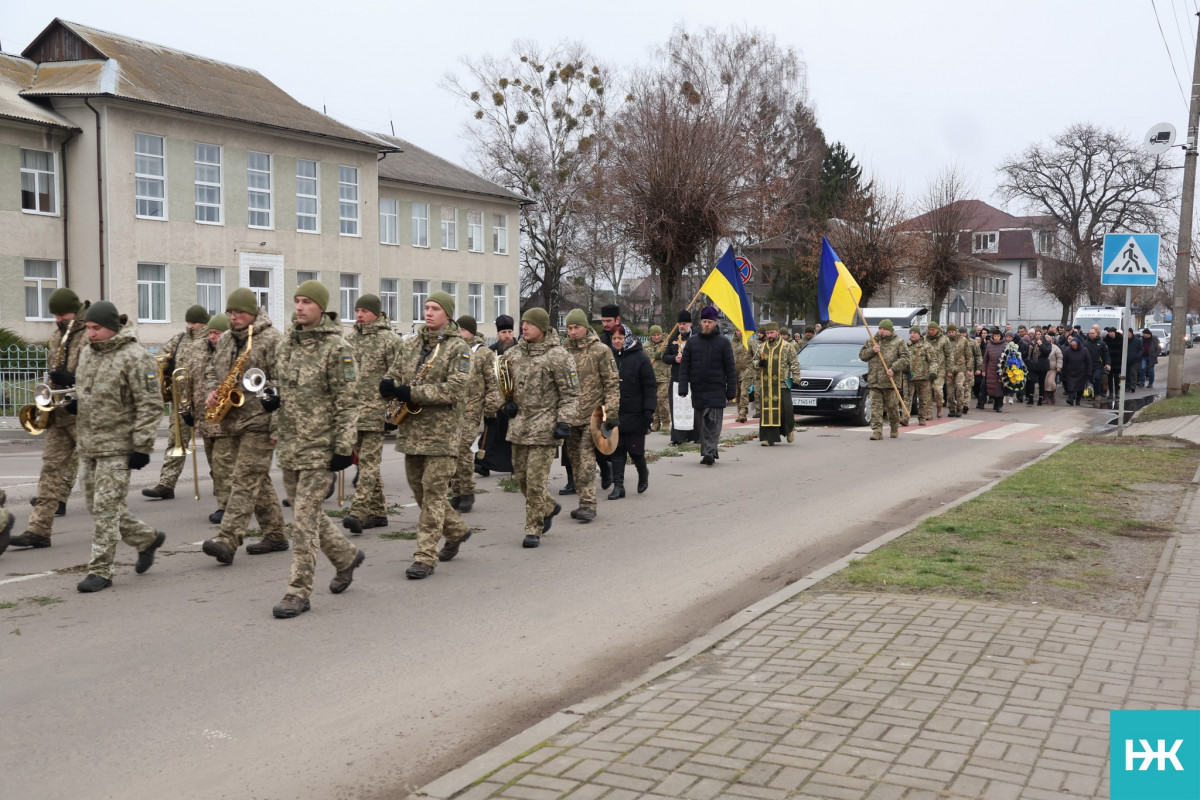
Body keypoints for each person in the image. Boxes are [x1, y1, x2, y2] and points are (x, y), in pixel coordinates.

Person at [267, 281, 364, 617]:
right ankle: (346, 556)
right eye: (296, 301)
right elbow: (281, 387)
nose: (300, 307)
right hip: (292, 444)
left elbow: (349, 401)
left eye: (306, 302)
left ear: (321, 307)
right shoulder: (286, 345)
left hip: (320, 448)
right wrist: (273, 403)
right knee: (305, 513)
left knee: (303, 521)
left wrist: (343, 447)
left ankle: (298, 592)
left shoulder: (337, 348)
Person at [71, 301, 166, 593]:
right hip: (89, 444)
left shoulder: (135, 357)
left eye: (96, 328)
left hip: (118, 446)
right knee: (95, 505)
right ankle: (146, 539)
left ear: (112, 327)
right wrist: (77, 403)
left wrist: (142, 446)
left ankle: (100, 570)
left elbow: (151, 405)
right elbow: (88, 391)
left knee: (105, 508)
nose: (91, 333)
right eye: (87, 327)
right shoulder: (87, 353)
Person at [380, 291, 472, 578]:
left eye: (435, 308)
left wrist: (415, 392)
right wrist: (388, 385)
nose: (428, 312)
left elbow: (456, 388)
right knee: (420, 492)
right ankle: (456, 531)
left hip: (442, 434)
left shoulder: (459, 348)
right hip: (412, 431)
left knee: (433, 494)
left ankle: (425, 556)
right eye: (426, 307)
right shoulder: (411, 344)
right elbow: (396, 372)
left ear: (448, 314)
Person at [201, 287, 289, 564]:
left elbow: (284, 382)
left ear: (253, 312)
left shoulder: (273, 339)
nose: (234, 316)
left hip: (260, 422)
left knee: (243, 479)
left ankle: (228, 539)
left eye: (239, 312)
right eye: (230, 312)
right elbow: (212, 370)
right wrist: (213, 391)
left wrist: (275, 424)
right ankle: (275, 535)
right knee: (256, 479)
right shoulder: (226, 339)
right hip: (231, 419)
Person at [10, 288, 88, 550]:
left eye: (61, 314)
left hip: (85, 415)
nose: (57, 319)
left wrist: (75, 381)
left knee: (99, 475)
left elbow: (103, 376)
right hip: (60, 415)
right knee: (50, 471)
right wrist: (45, 400)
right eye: (54, 314)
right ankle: (38, 530)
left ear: (74, 311)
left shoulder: (91, 334)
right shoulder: (57, 336)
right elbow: (53, 374)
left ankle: (135, 533)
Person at [500, 308, 578, 548]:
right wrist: (506, 403)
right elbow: (501, 385)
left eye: (529, 324)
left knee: (535, 483)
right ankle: (549, 507)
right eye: (522, 323)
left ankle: (533, 528)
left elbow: (571, 394)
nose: (523, 327)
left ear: (542, 328)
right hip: (519, 428)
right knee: (522, 481)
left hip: (545, 430)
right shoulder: (512, 354)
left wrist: (564, 421)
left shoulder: (559, 356)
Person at [343, 294, 401, 533]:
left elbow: (399, 376)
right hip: (353, 412)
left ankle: (358, 511)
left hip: (377, 412)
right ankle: (378, 513)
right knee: (365, 463)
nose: (359, 315)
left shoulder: (390, 340)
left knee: (368, 464)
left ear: (376, 313)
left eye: (364, 311)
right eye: (356, 310)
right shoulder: (349, 339)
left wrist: (393, 414)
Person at [142, 304, 211, 501]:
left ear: (203, 323)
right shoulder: (179, 339)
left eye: (195, 322)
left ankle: (221, 481)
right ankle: (166, 484)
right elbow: (161, 357)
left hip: (205, 399)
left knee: (213, 444)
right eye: (188, 322)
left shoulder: (211, 339)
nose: (191, 326)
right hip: (181, 400)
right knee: (176, 441)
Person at [561, 309, 620, 523]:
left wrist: (612, 411)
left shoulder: (600, 351)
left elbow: (611, 383)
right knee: (574, 460)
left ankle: (588, 505)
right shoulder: (562, 351)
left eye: (577, 327)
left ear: (586, 327)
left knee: (586, 459)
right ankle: (582, 499)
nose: (573, 331)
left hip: (592, 416)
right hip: (569, 416)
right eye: (569, 327)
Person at [450, 314, 500, 512]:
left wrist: (490, 409)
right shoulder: (453, 350)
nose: (458, 334)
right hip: (452, 409)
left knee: (462, 448)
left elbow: (492, 383)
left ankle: (468, 492)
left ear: (469, 331)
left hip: (472, 409)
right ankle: (456, 492)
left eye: (461, 330)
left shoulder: (484, 353)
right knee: (452, 451)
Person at [678, 306, 737, 464]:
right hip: (698, 389)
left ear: (715, 323)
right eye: (704, 321)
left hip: (716, 388)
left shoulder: (724, 342)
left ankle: (709, 452)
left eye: (709, 322)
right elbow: (684, 367)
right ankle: (708, 450)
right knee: (702, 423)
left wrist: (731, 391)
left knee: (714, 422)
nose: (706, 325)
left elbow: (730, 369)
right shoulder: (692, 342)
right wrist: (682, 388)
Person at [188, 313, 231, 523]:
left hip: (224, 422)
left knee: (223, 465)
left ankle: (225, 506)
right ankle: (228, 500)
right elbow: (190, 382)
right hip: (204, 419)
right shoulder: (199, 353)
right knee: (214, 465)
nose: (213, 337)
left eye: (218, 333)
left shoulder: (230, 354)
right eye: (211, 333)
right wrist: (187, 410)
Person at [606, 325, 655, 498]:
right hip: (616, 411)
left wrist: (649, 409)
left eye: (620, 338)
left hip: (636, 412)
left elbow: (649, 385)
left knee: (635, 452)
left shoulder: (641, 357)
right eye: (614, 339)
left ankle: (643, 473)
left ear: (626, 338)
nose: (617, 342)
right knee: (617, 450)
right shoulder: (609, 357)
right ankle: (618, 487)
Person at [477, 314, 516, 476]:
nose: (507, 336)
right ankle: (483, 463)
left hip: (514, 402)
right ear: (498, 334)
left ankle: (515, 465)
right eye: (503, 333)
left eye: (509, 332)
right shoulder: (491, 352)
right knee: (491, 433)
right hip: (495, 400)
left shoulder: (520, 350)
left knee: (513, 436)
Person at [859, 320, 909, 439]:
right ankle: (877, 431)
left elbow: (906, 358)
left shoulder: (899, 342)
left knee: (892, 407)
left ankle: (894, 426)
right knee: (875, 407)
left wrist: (894, 368)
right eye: (880, 329)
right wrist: (872, 350)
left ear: (890, 330)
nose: (881, 331)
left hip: (890, 381)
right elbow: (862, 356)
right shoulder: (872, 341)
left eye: (884, 329)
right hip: (874, 380)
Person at [755, 322, 797, 446]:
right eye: (767, 333)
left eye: (772, 332)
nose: (769, 335)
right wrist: (759, 364)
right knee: (767, 412)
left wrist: (796, 379)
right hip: (767, 386)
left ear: (777, 332)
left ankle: (788, 430)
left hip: (782, 384)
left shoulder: (787, 346)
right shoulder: (761, 347)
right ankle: (768, 438)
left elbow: (794, 363)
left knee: (786, 411)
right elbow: (754, 362)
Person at [663, 310, 698, 444]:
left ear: (690, 324)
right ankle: (678, 437)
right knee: (677, 408)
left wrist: (688, 358)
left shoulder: (696, 337)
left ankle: (694, 436)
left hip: (692, 378)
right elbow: (665, 357)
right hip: (677, 378)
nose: (681, 326)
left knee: (692, 408)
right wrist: (675, 359)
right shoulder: (674, 338)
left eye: (684, 324)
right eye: (680, 324)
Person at [645, 325, 672, 431]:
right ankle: (655, 422)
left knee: (662, 399)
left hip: (664, 377)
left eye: (658, 335)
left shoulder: (667, 344)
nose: (656, 337)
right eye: (654, 335)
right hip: (651, 377)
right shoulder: (645, 346)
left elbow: (670, 356)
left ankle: (665, 422)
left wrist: (661, 355)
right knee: (653, 401)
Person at [906, 326, 934, 426]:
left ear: (919, 334)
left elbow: (933, 360)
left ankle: (922, 417)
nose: (912, 335)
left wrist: (933, 371)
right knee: (907, 398)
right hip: (910, 378)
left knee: (923, 399)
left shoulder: (926, 346)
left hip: (923, 377)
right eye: (911, 333)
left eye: (914, 333)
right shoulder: (906, 346)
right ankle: (905, 418)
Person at [924, 321, 952, 418]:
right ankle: (929, 412)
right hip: (927, 369)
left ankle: (939, 406)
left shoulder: (944, 339)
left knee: (937, 389)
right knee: (927, 392)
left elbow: (949, 355)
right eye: (929, 330)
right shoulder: (924, 339)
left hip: (940, 369)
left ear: (937, 330)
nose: (931, 331)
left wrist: (950, 370)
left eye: (933, 330)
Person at [944, 323, 971, 417]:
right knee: (950, 390)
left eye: (953, 332)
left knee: (959, 387)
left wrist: (969, 369)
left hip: (961, 368)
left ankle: (960, 407)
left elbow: (969, 356)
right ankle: (951, 408)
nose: (951, 333)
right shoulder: (945, 341)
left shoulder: (963, 340)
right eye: (949, 332)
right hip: (949, 369)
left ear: (956, 331)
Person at [980, 327, 1008, 412]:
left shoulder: (1005, 345)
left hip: (1002, 371)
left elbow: (1008, 358)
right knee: (992, 388)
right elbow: (985, 360)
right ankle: (995, 403)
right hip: (991, 371)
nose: (996, 337)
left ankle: (999, 405)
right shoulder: (989, 345)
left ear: (1001, 336)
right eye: (995, 336)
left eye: (998, 336)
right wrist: (984, 370)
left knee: (1000, 388)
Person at [1081, 328, 1111, 405]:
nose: (1092, 335)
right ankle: (1091, 394)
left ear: (1096, 333)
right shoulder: (1085, 343)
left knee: (1097, 378)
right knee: (1090, 380)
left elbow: (1106, 354)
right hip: (1088, 365)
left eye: (1093, 333)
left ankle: (1097, 394)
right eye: (1090, 333)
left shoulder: (1101, 343)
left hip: (1098, 365)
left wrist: (1107, 363)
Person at [1060, 336, 1092, 406]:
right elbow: (1065, 362)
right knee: (1071, 387)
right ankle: (1070, 399)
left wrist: (1089, 372)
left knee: (1080, 388)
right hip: (1070, 372)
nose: (1074, 347)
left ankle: (1078, 400)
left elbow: (1088, 362)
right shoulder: (1067, 351)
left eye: (1076, 345)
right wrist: (1063, 372)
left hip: (1081, 372)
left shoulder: (1084, 350)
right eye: (1073, 345)